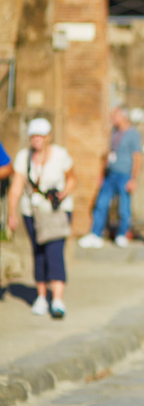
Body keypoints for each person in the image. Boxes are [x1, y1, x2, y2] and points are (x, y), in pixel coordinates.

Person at [7, 118, 76, 318]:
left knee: (54, 251)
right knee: (38, 252)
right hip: (32, 212)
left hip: (56, 211)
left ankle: (57, 299)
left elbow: (72, 178)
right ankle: (41, 296)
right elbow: (17, 187)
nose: (37, 139)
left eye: (40, 135)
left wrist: (63, 193)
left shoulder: (60, 155)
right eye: (34, 136)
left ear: (48, 137)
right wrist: (12, 213)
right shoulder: (24, 157)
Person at [79, 106, 142, 249]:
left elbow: (137, 158)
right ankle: (95, 234)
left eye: (115, 116)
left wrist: (133, 179)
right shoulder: (114, 132)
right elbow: (107, 154)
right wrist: (101, 174)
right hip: (110, 174)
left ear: (124, 117)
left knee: (124, 207)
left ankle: (122, 234)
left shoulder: (133, 134)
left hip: (125, 175)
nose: (112, 119)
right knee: (101, 204)